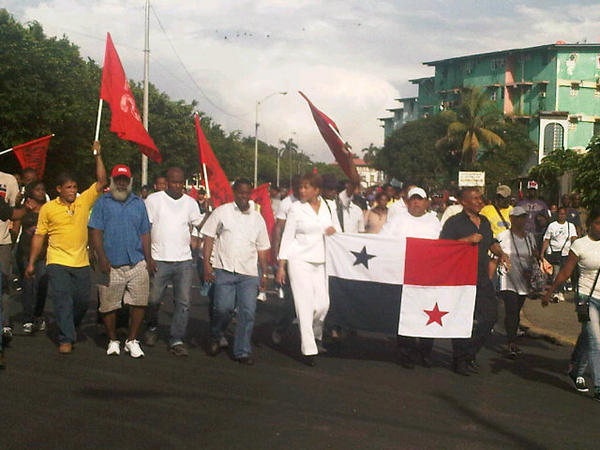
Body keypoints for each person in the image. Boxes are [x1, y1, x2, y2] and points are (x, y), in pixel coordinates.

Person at [25, 141, 107, 354]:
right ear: (59, 189)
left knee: (81, 301)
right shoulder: (48, 209)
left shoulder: (83, 202)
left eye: (74, 187)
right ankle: (65, 338)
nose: (72, 191)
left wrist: (97, 155)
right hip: (57, 261)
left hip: (81, 262)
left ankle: (69, 325)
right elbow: (39, 236)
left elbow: (102, 181)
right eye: (68, 187)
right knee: (62, 299)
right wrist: (32, 263)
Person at [440, 187, 510, 376]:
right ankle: (460, 359)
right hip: (460, 278)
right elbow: (443, 248)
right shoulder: (454, 223)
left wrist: (501, 253)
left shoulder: (485, 222)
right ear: (464, 202)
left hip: (481, 277)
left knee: (490, 318)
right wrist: (467, 240)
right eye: (476, 199)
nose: (480, 202)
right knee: (462, 319)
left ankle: (469, 353)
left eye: (481, 198)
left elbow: (491, 242)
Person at [202, 179, 270, 365]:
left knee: (248, 312)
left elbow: (262, 247)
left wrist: (264, 273)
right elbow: (208, 237)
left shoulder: (257, 218)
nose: (244, 197)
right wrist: (207, 265)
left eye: (247, 193)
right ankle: (216, 335)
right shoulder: (222, 212)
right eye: (241, 193)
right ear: (234, 193)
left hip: (249, 273)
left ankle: (242, 351)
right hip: (224, 269)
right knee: (223, 309)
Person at [276, 173, 341, 366]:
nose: (302, 191)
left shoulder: (328, 207)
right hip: (299, 261)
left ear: (317, 190)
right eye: (300, 187)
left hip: (322, 261)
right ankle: (309, 349)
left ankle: (313, 334)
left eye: (306, 187)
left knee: (322, 305)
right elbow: (287, 238)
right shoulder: (295, 209)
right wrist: (281, 266)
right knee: (304, 306)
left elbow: (337, 230)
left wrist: (332, 230)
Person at [88, 165, 153, 358]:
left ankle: (132, 340)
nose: (122, 183)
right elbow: (96, 231)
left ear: (130, 181)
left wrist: (149, 259)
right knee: (108, 305)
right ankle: (113, 340)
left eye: (125, 180)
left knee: (140, 302)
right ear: (112, 180)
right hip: (110, 263)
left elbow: (145, 232)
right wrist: (101, 256)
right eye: (118, 180)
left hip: (136, 261)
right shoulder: (102, 202)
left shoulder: (139, 203)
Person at [542, 209, 600, 400]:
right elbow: (566, 271)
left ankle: (576, 370)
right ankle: (599, 386)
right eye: (598, 223)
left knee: (588, 336)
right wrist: (551, 290)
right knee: (596, 341)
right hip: (586, 296)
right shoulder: (580, 245)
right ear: (590, 223)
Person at [144, 167, 203, 356]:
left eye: (180, 182)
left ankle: (176, 339)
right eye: (173, 182)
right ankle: (152, 328)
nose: (177, 186)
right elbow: (146, 229)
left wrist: (197, 234)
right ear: (166, 182)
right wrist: (148, 257)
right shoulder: (154, 200)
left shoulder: (191, 203)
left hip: (184, 260)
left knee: (183, 302)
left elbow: (198, 224)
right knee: (153, 300)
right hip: (159, 258)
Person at [381, 187, 441, 368]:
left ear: (426, 202)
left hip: (427, 276)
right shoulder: (397, 220)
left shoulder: (434, 221)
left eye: (420, 199)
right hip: (403, 274)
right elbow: (382, 242)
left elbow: (443, 245)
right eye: (413, 199)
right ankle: (405, 352)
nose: (416, 203)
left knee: (427, 313)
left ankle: (425, 352)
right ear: (407, 202)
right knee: (406, 314)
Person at [496, 207, 537, 358]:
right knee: (511, 310)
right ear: (512, 219)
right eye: (519, 217)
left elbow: (534, 255)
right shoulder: (502, 236)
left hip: (524, 280)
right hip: (508, 280)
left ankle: (511, 336)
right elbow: (494, 253)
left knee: (517, 310)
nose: (522, 220)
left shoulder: (529, 237)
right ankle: (511, 342)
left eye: (524, 217)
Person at [270, 175, 301, 344]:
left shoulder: (311, 202)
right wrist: (277, 252)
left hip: (308, 257)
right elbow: (278, 229)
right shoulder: (286, 203)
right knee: (292, 299)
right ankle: (280, 327)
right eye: (297, 186)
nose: (301, 189)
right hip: (290, 256)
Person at [17, 183, 48, 334]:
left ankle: (38, 315)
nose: (41, 192)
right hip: (25, 252)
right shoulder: (25, 208)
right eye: (38, 190)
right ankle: (28, 318)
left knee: (42, 284)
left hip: (43, 254)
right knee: (28, 286)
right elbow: (16, 222)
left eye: (42, 189)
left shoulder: (48, 208)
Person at [541, 207, 577, 302]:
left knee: (563, 273)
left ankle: (560, 291)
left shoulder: (570, 226)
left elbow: (573, 239)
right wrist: (542, 253)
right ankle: (556, 291)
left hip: (566, 253)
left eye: (563, 214)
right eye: (560, 214)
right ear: (557, 215)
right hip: (553, 253)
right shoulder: (552, 226)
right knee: (555, 273)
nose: (562, 216)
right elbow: (546, 239)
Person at [0, 170, 19, 339]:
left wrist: (16, 230)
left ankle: (5, 324)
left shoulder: (8, 179)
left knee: (4, 283)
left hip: (2, 241)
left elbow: (14, 211)